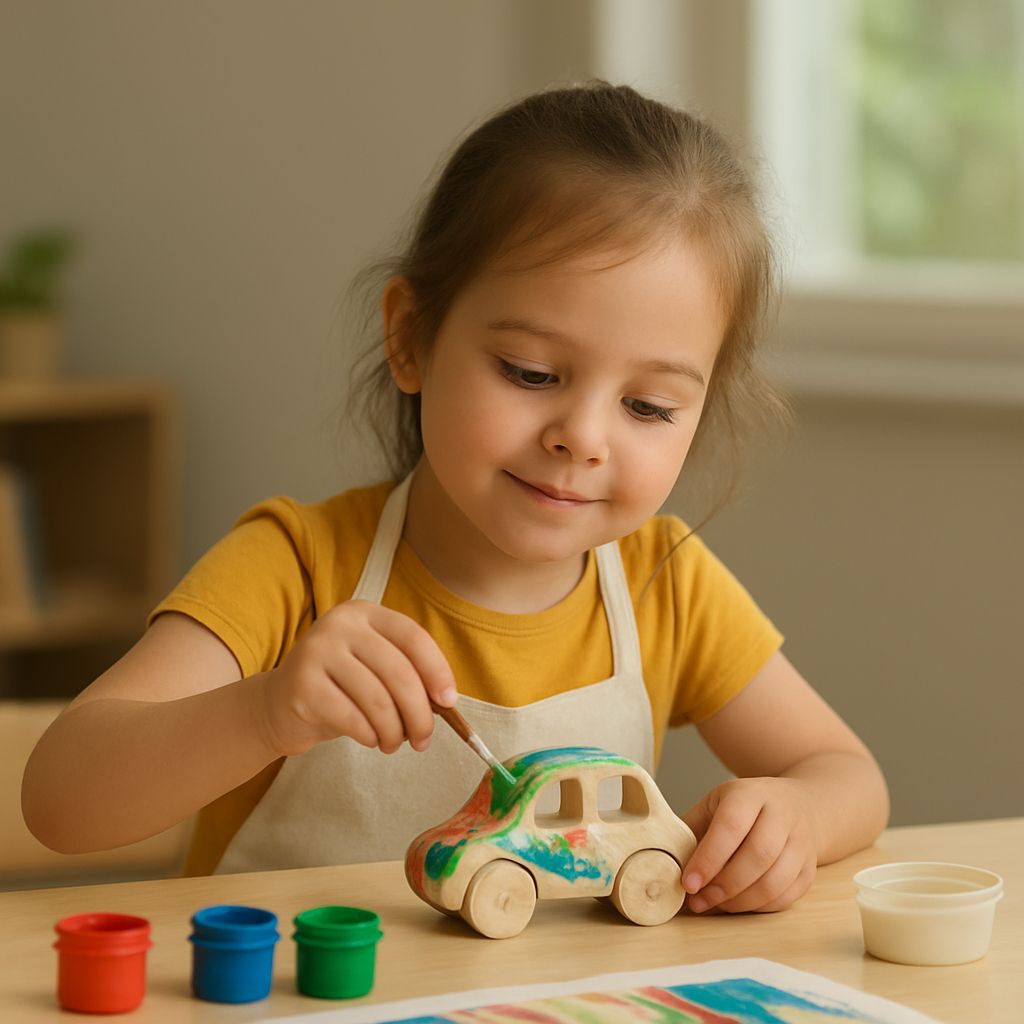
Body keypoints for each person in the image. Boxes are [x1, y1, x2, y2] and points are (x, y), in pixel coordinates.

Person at [23, 82, 888, 914]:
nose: (583, 436)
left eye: (648, 407)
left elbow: (847, 776)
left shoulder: (667, 581)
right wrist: (265, 709)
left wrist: (793, 819)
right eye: (531, 373)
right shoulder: (295, 564)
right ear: (411, 339)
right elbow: (61, 799)